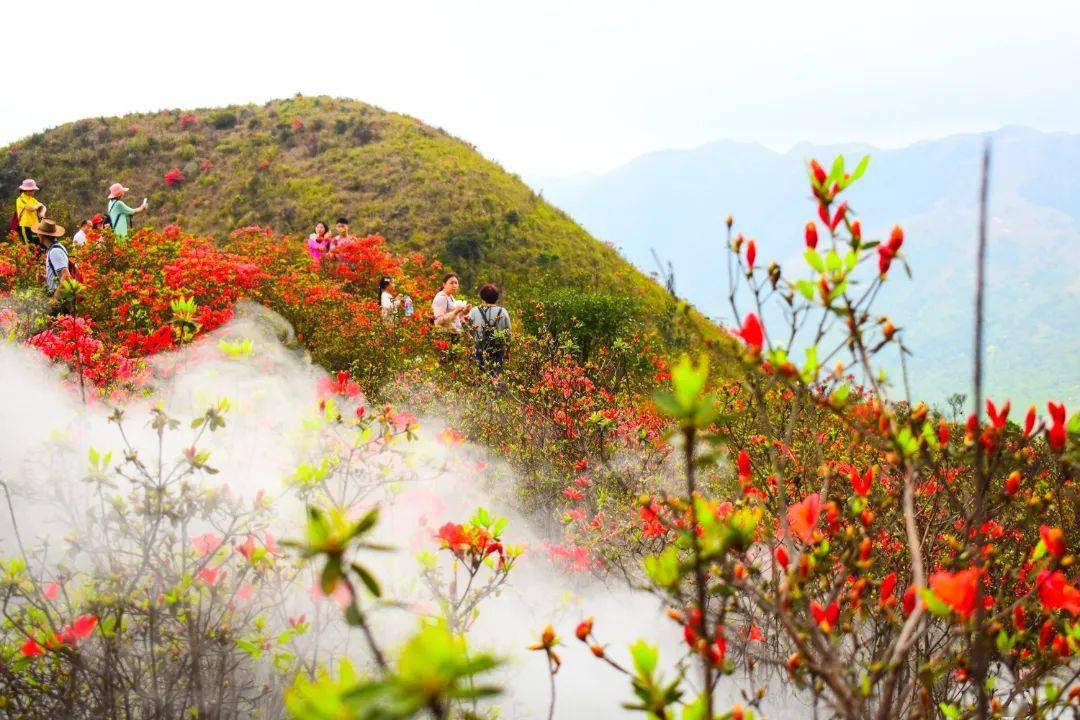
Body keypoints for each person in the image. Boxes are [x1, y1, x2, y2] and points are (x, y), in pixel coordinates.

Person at [466, 283, 512, 376]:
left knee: (479, 377)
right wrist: (507, 351)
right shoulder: (503, 311)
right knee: (495, 377)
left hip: (479, 349)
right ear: (497, 297)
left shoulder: (475, 310)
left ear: (482, 297)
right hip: (497, 351)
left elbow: (465, 326)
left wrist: (470, 337)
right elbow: (509, 333)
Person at [35, 219, 72, 311]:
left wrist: (55, 299)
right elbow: (59, 275)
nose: (37, 235)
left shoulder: (55, 251)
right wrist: (44, 278)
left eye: (38, 233)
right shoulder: (54, 248)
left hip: (60, 300)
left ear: (42, 235)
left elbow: (66, 275)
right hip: (60, 298)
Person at [431, 273, 470, 338]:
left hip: (453, 334)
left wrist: (464, 312)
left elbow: (454, 316)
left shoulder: (450, 296)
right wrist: (455, 311)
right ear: (444, 284)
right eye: (451, 283)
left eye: (456, 283)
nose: (454, 285)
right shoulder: (441, 298)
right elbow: (438, 321)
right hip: (445, 336)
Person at [15, 179, 47, 247]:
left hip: (36, 226)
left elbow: (44, 207)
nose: (34, 192)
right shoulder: (20, 199)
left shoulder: (32, 199)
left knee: (38, 246)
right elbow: (30, 209)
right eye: (32, 190)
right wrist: (38, 205)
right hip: (25, 226)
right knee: (29, 247)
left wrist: (42, 213)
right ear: (26, 190)